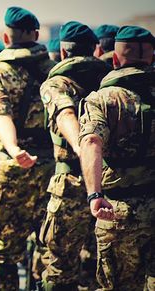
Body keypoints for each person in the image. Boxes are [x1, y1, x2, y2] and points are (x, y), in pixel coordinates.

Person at [0, 7, 56, 290]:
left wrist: (12, 147)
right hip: (54, 167)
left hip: (12, 167)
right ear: (36, 35)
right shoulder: (54, 72)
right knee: (51, 251)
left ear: (5, 37)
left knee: (4, 253)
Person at [79, 25, 155, 291]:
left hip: (119, 209)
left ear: (114, 59)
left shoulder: (102, 99)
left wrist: (94, 194)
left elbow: (90, 141)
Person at [38, 21, 110, 290]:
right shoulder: (109, 78)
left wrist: (83, 150)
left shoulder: (56, 83)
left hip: (71, 182)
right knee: (99, 264)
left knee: (60, 267)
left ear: (63, 52)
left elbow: (64, 113)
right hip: (109, 182)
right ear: (95, 49)